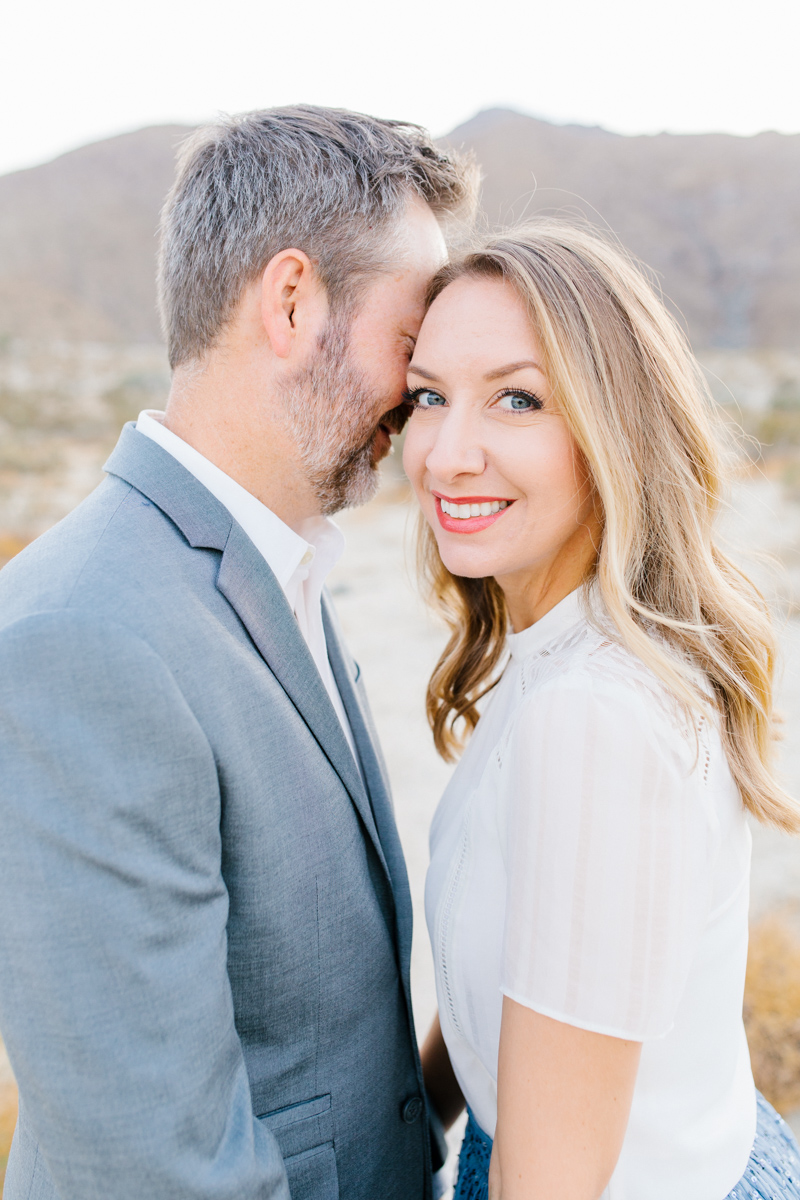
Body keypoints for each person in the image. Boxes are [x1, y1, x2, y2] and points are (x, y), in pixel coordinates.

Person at [0, 105, 476, 1200]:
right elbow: (151, 1171)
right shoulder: (81, 639)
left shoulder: (280, 563)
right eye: (409, 347)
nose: (415, 397)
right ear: (294, 303)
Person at [404, 223, 800, 1199]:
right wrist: (412, 1122)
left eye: (516, 398)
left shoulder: (590, 719)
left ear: (612, 426)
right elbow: (523, 961)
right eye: (426, 397)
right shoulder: (559, 655)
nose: (447, 455)